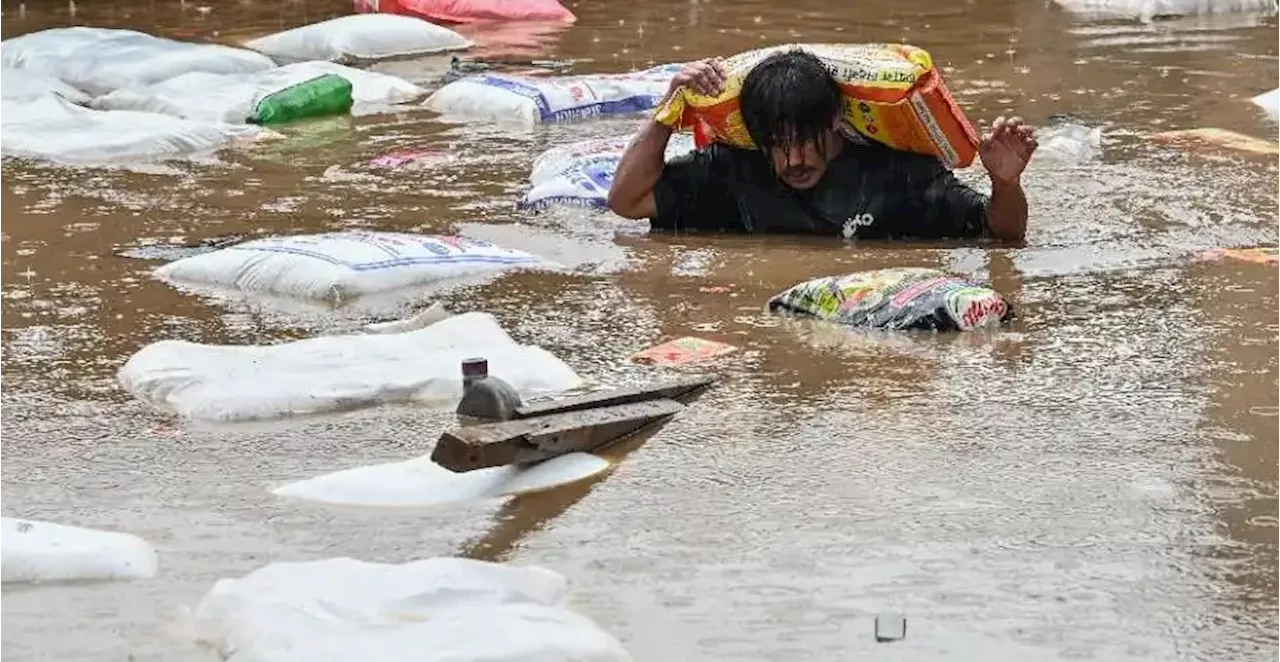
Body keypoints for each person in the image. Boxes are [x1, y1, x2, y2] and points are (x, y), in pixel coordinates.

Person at [606, 49, 1038, 242]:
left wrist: (1005, 185)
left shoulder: (898, 175)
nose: (793, 160)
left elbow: (1001, 234)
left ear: (835, 123)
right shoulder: (731, 170)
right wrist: (668, 112)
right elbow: (627, 200)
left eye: (805, 142)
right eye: (777, 146)